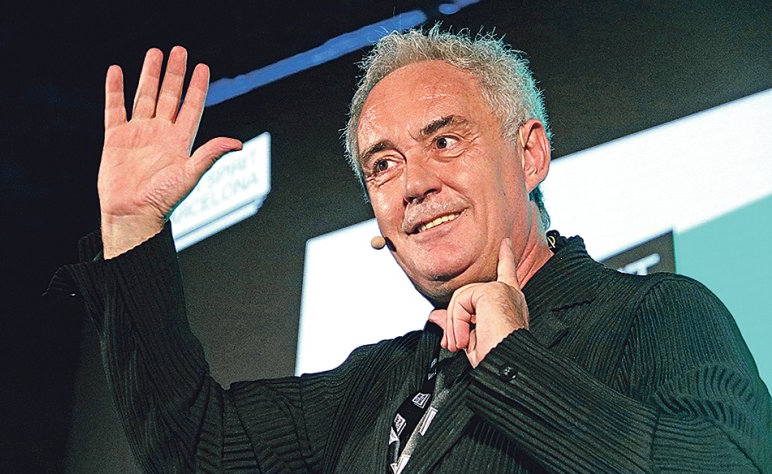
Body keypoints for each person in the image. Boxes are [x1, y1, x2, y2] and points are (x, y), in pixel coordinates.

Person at [51, 28, 771, 472]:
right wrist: (133, 225)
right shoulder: (374, 384)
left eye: (445, 140)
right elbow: (197, 446)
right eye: (384, 165)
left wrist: (513, 362)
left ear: (530, 154)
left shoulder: (652, 314)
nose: (414, 185)